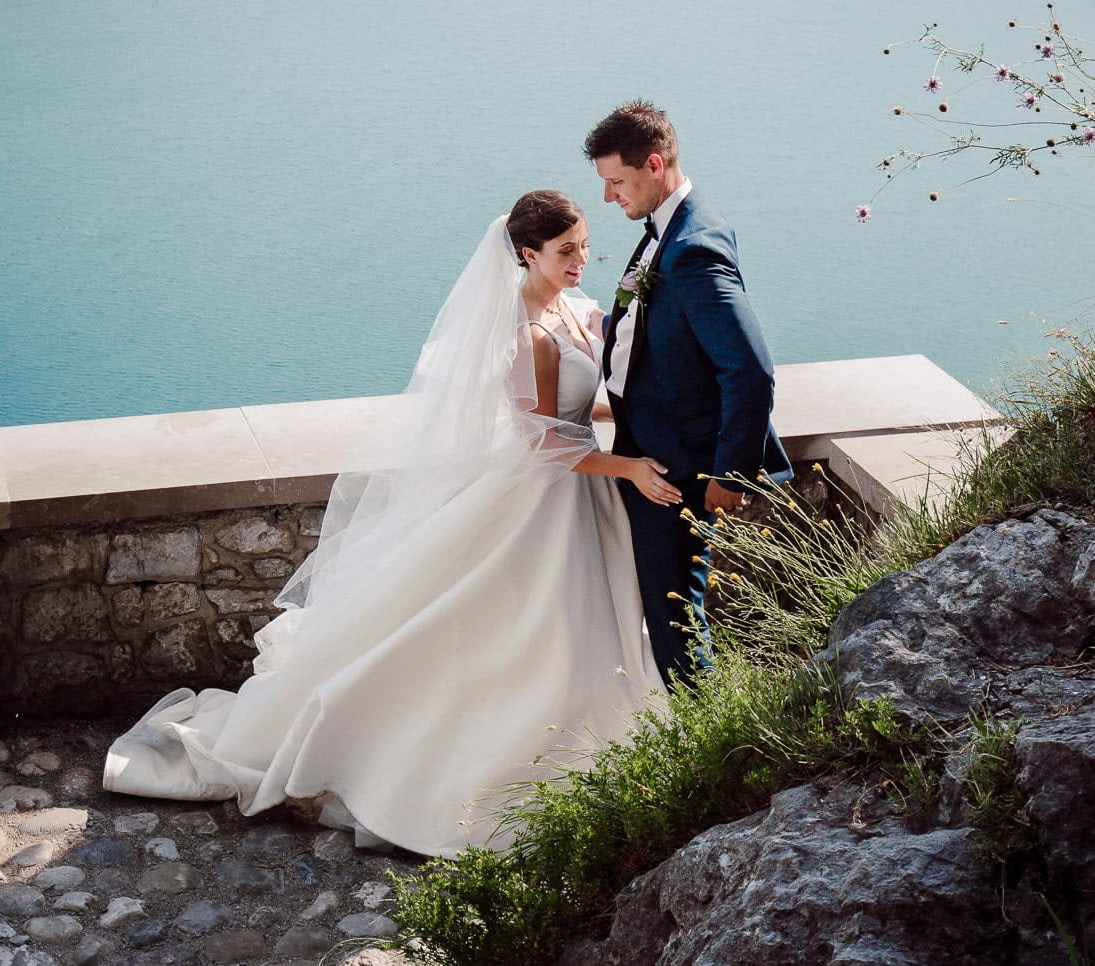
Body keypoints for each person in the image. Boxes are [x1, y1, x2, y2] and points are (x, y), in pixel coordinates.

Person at [104, 193, 668, 857]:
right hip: (543, 501)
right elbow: (543, 442)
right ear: (526, 254)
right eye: (565, 249)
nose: (581, 259)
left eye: (583, 244)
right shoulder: (526, 336)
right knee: (526, 632)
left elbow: (587, 405)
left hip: (582, 500)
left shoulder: (577, 311)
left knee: (585, 633)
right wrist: (628, 469)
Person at [585, 102, 792, 684]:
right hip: (654, 446)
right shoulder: (673, 225)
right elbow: (670, 336)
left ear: (654, 165)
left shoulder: (693, 249)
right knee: (670, 609)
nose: (608, 198)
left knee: (674, 619)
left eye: (616, 183)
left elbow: (750, 370)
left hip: (679, 471)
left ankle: (707, 755)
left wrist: (730, 474)